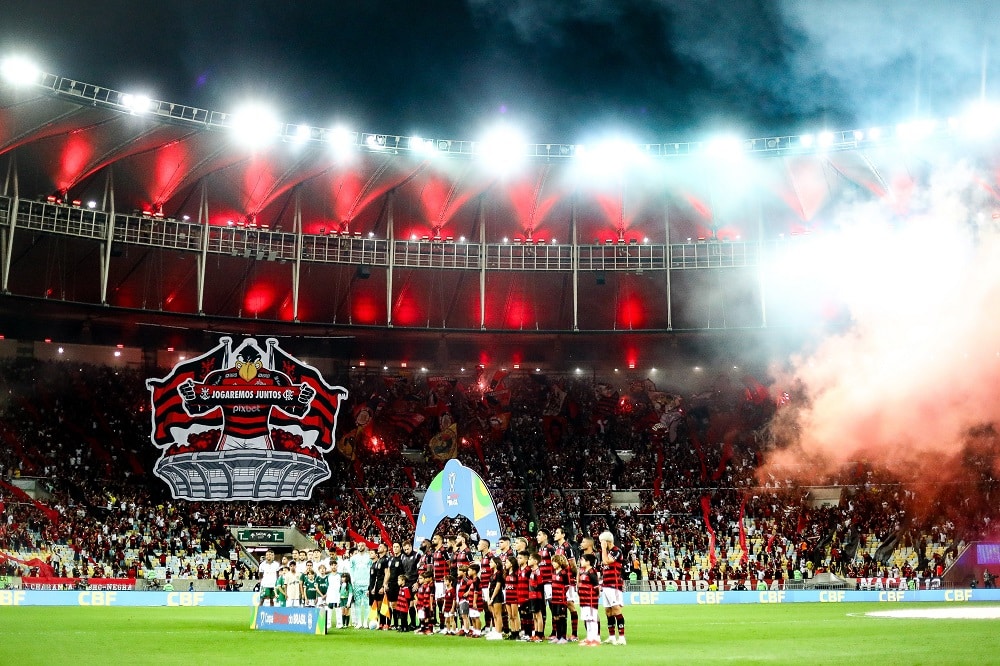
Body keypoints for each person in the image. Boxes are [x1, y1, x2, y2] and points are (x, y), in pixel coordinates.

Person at [599, 530, 626, 645]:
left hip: (614, 584)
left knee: (616, 609)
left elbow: (606, 561)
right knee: (608, 611)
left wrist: (603, 549)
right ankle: (611, 636)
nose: (600, 543)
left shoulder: (616, 551)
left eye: (601, 541)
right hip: (606, 584)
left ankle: (622, 637)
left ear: (606, 541)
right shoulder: (608, 552)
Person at [577, 553, 601, 646]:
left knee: (592, 619)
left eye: (582, 560)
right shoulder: (583, 571)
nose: (580, 561)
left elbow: (596, 585)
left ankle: (595, 639)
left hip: (590, 599)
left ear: (588, 562)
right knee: (587, 619)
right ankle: (589, 638)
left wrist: (596, 595)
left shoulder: (591, 572)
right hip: (583, 600)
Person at [349, 543, 371, 628]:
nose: (361, 547)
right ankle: (359, 622)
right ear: (357, 547)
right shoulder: (353, 558)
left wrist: (370, 582)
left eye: (362, 546)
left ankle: (365, 622)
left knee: (366, 603)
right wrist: (353, 580)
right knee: (357, 603)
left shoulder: (369, 557)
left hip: (366, 583)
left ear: (365, 547)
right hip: (357, 583)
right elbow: (351, 570)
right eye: (359, 546)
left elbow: (371, 570)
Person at [549, 554, 570, 643]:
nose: (553, 563)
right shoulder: (554, 572)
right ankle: (558, 636)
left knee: (562, 617)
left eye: (555, 561)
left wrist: (561, 593)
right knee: (556, 617)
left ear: (560, 562)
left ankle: (563, 637)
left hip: (561, 599)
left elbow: (567, 585)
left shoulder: (564, 573)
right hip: (554, 598)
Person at [502, 556, 522, 640]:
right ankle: (512, 632)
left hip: (514, 596)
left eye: (507, 562)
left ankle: (517, 632)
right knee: (510, 616)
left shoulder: (517, 573)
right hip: (508, 596)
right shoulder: (506, 573)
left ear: (511, 563)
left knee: (514, 615)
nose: (505, 564)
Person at [485, 556, 505, 640]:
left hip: (497, 596)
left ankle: (499, 632)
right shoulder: (492, 574)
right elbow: (490, 586)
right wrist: (488, 598)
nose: (490, 563)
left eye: (491, 562)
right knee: (494, 614)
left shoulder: (499, 573)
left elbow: (498, 586)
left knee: (498, 614)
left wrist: (492, 598)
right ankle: (496, 630)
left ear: (496, 564)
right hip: (491, 595)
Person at [527, 553, 545, 642]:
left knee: (538, 615)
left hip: (537, 596)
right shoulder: (532, 571)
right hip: (531, 595)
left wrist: (539, 597)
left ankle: (540, 634)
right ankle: (536, 633)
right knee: (534, 615)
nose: (528, 561)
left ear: (535, 561)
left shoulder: (538, 572)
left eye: (530, 559)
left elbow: (540, 586)